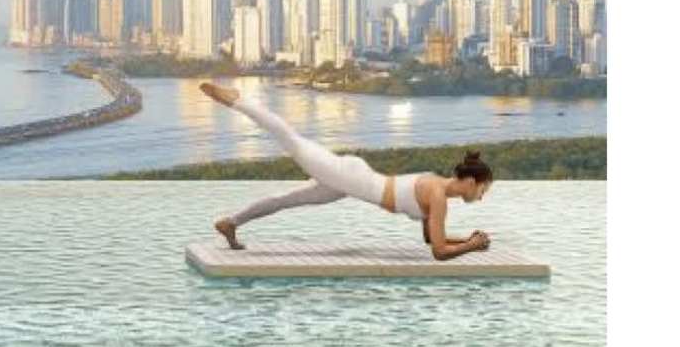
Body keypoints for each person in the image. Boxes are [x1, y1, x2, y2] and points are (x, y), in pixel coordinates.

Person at [199, 82, 493, 261]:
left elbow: (433, 238)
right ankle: (239, 100)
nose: (481, 197)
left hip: (351, 182)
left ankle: (231, 223)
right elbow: (439, 253)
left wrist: (468, 241)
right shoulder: (438, 196)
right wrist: (471, 244)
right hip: (351, 179)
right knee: (293, 141)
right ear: (470, 181)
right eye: (482, 189)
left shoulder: (437, 190)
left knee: (288, 199)